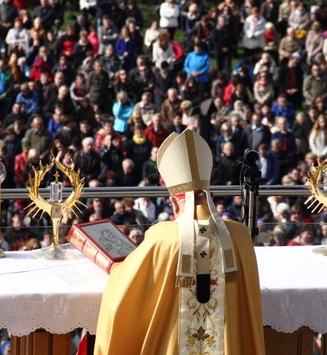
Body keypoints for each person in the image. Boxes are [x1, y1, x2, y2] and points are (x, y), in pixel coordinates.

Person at [96, 129, 265, 354]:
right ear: (211, 197)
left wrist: (116, 268)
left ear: (173, 203)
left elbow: (124, 292)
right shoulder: (241, 235)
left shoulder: (162, 238)